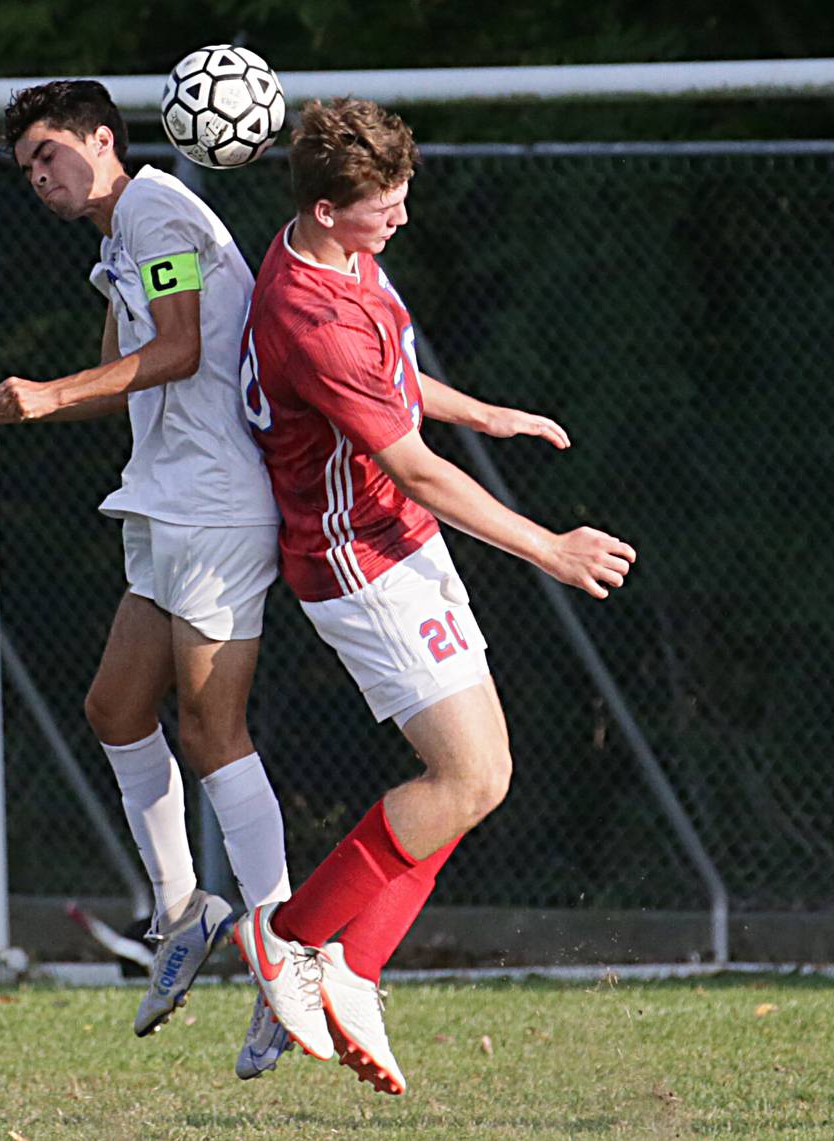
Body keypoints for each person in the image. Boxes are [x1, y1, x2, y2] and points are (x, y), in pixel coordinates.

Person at [230, 97, 638, 1095]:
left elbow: (395, 376)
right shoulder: (308, 313)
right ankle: (290, 944)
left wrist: (484, 410)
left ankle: (348, 967)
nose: (401, 219)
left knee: (482, 776)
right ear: (328, 209)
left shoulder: (338, 256)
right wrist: (547, 546)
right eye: (384, 205)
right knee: (461, 778)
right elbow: (409, 465)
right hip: (357, 559)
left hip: (396, 545)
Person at [0, 80, 292, 1078]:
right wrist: (6, 408)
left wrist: (44, 394)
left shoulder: (161, 207)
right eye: (27, 166)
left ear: (101, 137)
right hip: (163, 498)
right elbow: (119, 371)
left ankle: (286, 966)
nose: (41, 176)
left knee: (216, 731)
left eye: (52, 152)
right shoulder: (120, 238)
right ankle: (183, 909)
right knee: (117, 705)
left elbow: (176, 349)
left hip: (216, 501)